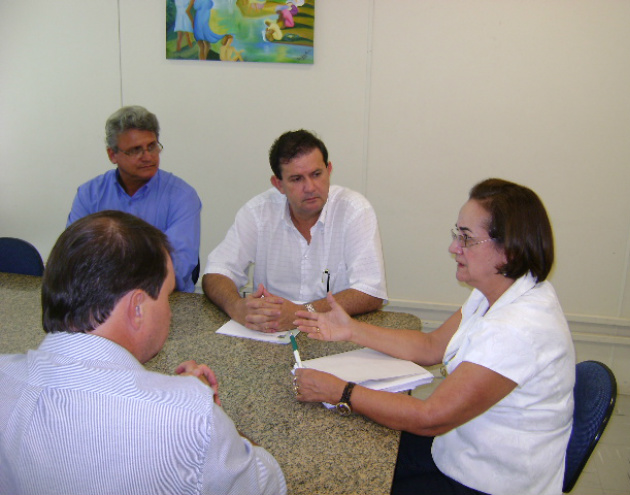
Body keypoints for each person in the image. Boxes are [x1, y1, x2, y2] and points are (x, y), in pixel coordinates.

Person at [292, 178, 576, 495]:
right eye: (457, 234)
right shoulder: (499, 290)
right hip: (460, 448)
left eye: (466, 239)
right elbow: (432, 347)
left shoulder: (517, 329)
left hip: (486, 482)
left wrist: (340, 392)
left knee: (350, 481)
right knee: (351, 459)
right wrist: (352, 329)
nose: (453, 248)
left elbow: (431, 418)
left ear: (508, 250)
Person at [0, 211, 286, 495]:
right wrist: (214, 419)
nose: (170, 313)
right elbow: (268, 484)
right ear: (137, 308)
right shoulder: (189, 417)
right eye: (167, 295)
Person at [203, 129, 387, 333]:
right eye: (297, 179)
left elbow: (370, 292)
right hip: (270, 336)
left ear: (329, 170)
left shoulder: (354, 210)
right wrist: (235, 306)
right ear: (278, 184)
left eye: (317, 174)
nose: (310, 187)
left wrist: (301, 313)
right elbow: (217, 271)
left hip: (338, 335)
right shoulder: (258, 212)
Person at [67, 105, 201, 293]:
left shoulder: (182, 196)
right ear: (112, 155)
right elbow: (73, 258)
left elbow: (177, 269)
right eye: (135, 150)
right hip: (102, 300)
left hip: (166, 301)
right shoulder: (89, 195)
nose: (148, 157)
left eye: (152, 146)